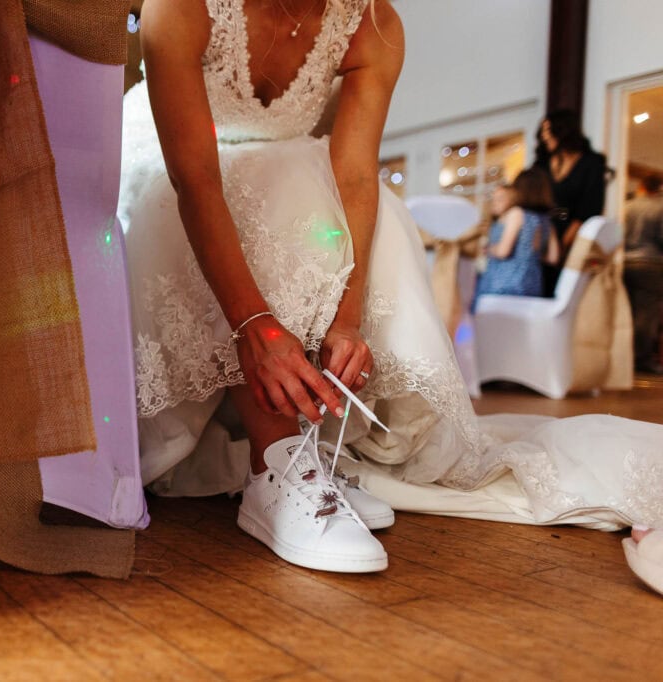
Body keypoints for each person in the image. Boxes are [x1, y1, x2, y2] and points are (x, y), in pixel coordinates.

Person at [120, 0, 662, 574]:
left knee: (343, 205)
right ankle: (272, 464)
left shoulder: (373, 26)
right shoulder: (179, 8)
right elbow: (197, 178)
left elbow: (355, 174)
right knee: (263, 189)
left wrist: (345, 318)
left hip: (281, 166)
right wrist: (255, 324)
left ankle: (304, 448)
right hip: (171, 163)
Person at [534, 109, 609, 296]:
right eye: (542, 131)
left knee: (565, 292)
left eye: (548, 130)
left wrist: (563, 244)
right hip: (542, 234)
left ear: (562, 130)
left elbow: (589, 208)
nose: (544, 136)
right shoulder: (541, 164)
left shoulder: (591, 163)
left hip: (574, 236)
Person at [474, 170, 559, 304]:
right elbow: (553, 258)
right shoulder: (547, 221)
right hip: (533, 285)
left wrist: (488, 249)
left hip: (506, 284)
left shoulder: (517, 213)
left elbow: (503, 251)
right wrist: (528, 255)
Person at [623, 174, 663, 374]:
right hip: (650, 263)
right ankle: (641, 359)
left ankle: (623, 356)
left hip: (623, 261)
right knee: (646, 314)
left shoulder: (626, 206)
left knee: (626, 311)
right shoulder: (660, 208)